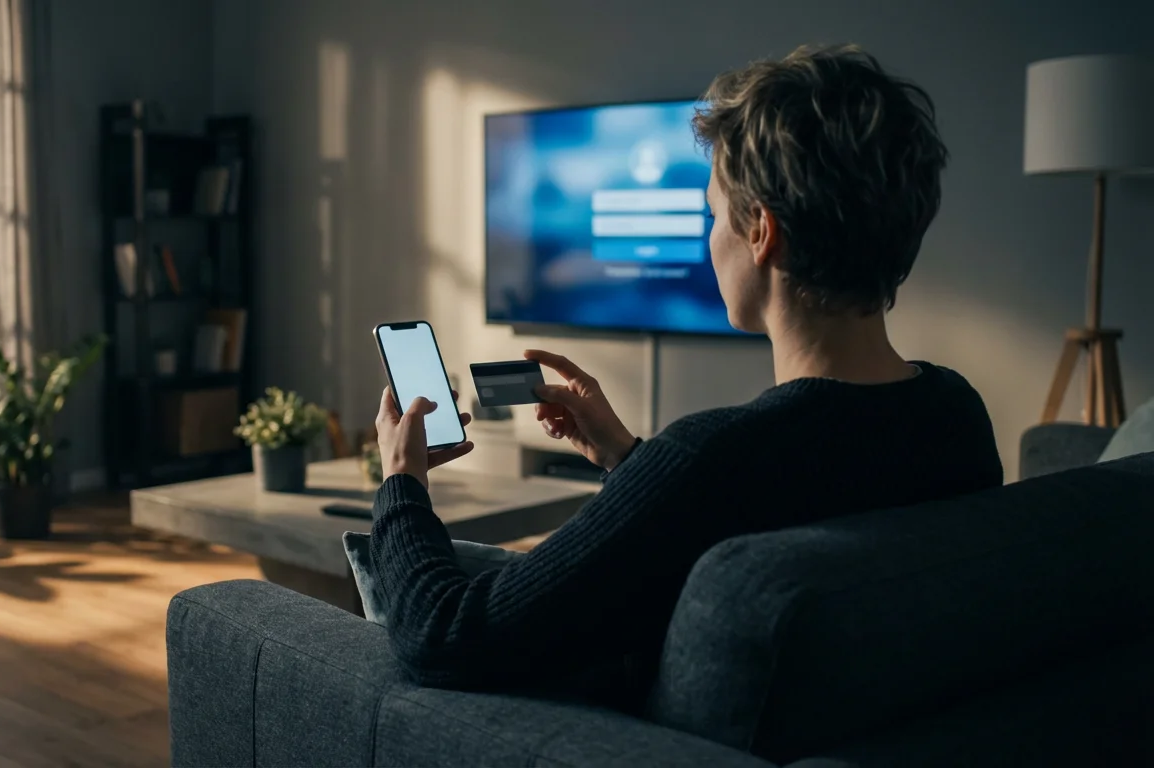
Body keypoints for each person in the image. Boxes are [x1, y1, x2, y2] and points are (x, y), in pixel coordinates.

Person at [368, 44, 1003, 704]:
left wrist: (402, 481)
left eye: (712, 215)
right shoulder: (955, 413)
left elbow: (444, 637)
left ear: (763, 232)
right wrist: (628, 460)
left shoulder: (713, 459)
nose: (710, 239)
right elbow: (760, 507)